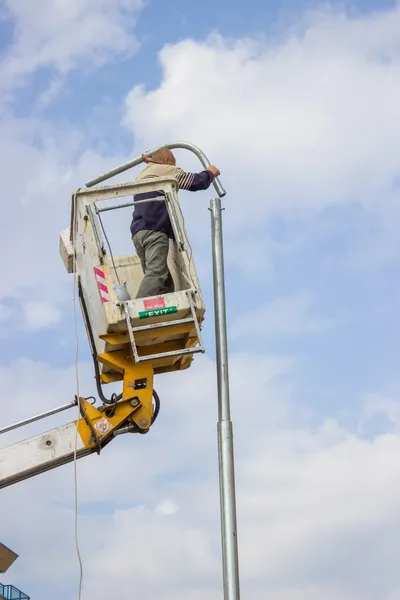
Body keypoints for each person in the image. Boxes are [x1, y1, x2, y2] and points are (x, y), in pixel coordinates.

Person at [130, 147, 220, 299]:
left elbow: (156, 164)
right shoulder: (166, 170)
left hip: (138, 232)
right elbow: (196, 182)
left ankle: (164, 308)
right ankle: (138, 308)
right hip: (155, 229)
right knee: (156, 273)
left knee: (163, 281)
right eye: (173, 164)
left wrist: (153, 161)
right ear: (166, 161)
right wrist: (211, 172)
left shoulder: (142, 174)